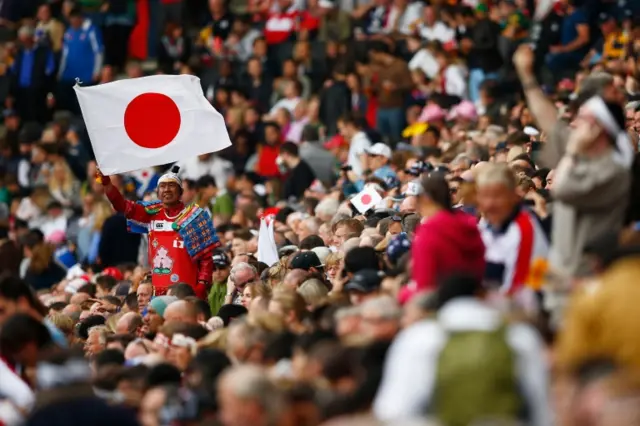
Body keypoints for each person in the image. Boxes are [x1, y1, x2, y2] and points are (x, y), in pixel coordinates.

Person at [98, 166, 219, 298]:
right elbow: (121, 205)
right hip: (158, 292)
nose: (166, 189)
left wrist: (201, 286)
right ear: (158, 191)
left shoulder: (195, 217)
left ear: (181, 191)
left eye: (171, 185)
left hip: (186, 292)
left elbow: (206, 259)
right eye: (162, 186)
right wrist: (107, 183)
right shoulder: (150, 213)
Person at [402, 173, 485, 303]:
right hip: (476, 297)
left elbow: (425, 285)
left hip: (441, 303)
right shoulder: (469, 223)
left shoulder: (428, 231)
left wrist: (402, 296)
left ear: (426, 199)